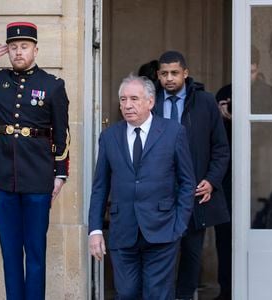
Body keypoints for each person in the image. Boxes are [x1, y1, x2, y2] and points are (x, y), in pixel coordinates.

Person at [88, 74, 196, 300]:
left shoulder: (173, 132)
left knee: (157, 294)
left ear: (150, 102)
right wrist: (95, 230)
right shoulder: (109, 137)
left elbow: (187, 182)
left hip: (163, 229)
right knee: (126, 293)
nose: (127, 105)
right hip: (122, 230)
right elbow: (100, 186)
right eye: (123, 99)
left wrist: (179, 223)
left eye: (134, 99)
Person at [0, 22, 70, 300]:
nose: (18, 52)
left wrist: (60, 174)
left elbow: (62, 134)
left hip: (38, 180)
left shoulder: (52, 85)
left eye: (24, 47)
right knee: (10, 253)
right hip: (2, 180)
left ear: (36, 49)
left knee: (35, 252)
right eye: (13, 48)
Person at [154, 50, 230, 300]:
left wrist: (211, 181)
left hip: (195, 194)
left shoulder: (206, 102)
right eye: (164, 74)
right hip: (159, 194)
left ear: (185, 73)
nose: (169, 79)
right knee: (159, 255)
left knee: (191, 256)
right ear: (158, 75)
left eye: (175, 73)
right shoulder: (149, 101)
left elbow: (220, 148)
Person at [215, 83, 232, 300]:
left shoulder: (266, 93)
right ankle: (226, 290)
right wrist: (222, 118)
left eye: (253, 71)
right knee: (224, 236)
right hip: (225, 178)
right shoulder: (224, 93)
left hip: (261, 171)